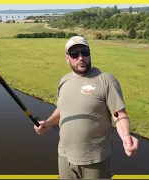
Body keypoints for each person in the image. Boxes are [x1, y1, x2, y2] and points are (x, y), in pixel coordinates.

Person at [34, 36, 138, 179]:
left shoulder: (106, 80)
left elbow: (119, 115)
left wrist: (126, 137)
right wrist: (47, 123)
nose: (81, 57)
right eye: (74, 54)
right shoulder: (64, 81)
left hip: (95, 162)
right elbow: (61, 111)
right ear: (67, 58)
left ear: (90, 54)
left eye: (85, 52)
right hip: (64, 157)